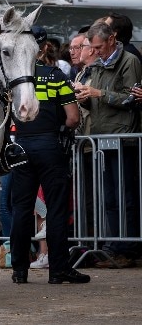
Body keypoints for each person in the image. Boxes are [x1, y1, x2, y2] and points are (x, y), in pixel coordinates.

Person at [10, 25, 88, 284]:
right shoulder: (55, 76)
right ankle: (58, 270)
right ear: (43, 48)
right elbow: (73, 118)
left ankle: (19, 270)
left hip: (20, 145)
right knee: (55, 209)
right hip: (50, 146)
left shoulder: (14, 79)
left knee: (21, 209)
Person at [75, 18, 142, 268]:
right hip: (103, 138)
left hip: (124, 138)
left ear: (112, 39)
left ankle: (128, 248)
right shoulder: (100, 66)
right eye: (92, 48)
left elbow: (131, 99)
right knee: (110, 197)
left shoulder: (129, 61)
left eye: (99, 47)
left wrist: (98, 93)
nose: (96, 52)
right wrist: (83, 98)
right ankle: (115, 246)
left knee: (126, 197)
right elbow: (97, 103)